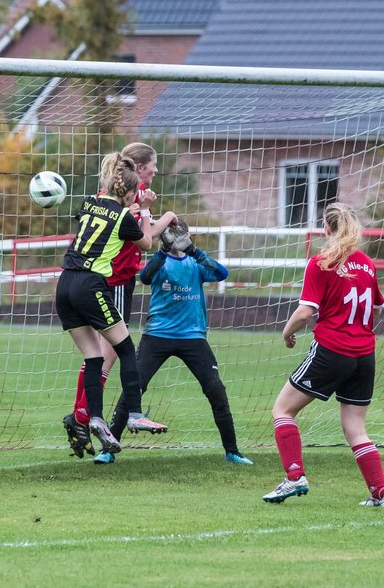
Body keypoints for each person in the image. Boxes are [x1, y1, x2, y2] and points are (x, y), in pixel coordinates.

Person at [262, 203, 384, 507]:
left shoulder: (321, 262)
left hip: (333, 350)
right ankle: (381, 493)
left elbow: (306, 311)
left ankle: (294, 477)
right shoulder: (367, 264)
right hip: (365, 354)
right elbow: (376, 306)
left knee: (283, 410)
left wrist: (286, 332)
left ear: (327, 228)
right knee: (356, 428)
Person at [98, 218, 253, 466]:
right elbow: (145, 278)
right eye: (170, 235)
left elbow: (222, 273)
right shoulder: (160, 262)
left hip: (193, 338)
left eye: (179, 234)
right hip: (157, 335)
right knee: (134, 388)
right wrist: (161, 252)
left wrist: (193, 250)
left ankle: (232, 451)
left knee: (216, 390)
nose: (174, 238)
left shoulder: (195, 262)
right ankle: (109, 448)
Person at [57, 152, 177, 458]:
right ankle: (134, 412)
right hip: (91, 285)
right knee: (125, 349)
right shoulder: (125, 216)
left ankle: (94, 419)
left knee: (93, 356)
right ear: (128, 193)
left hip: (65, 284)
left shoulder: (89, 202)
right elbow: (147, 243)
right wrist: (147, 211)